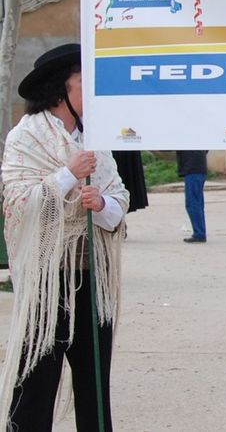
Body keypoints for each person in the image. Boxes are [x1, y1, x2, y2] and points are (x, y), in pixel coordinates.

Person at [0, 43, 129, 430]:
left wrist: (102, 202)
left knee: (94, 382)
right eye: (81, 83)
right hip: (45, 280)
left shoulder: (96, 138)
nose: (90, 92)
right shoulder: (26, 138)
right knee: (36, 379)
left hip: (92, 277)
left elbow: (120, 198)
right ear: (60, 91)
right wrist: (69, 175)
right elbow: (19, 203)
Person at [176, 150, 208, 243]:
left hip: (192, 169)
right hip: (199, 168)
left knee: (193, 203)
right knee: (197, 203)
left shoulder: (185, 137)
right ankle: (200, 232)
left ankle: (199, 234)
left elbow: (168, 148)